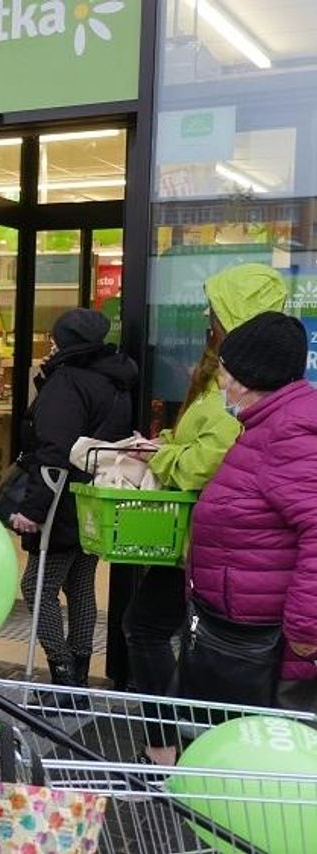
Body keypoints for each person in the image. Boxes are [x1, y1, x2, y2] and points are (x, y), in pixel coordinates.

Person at [122, 264, 286, 762]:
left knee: (149, 630)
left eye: (212, 310)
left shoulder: (230, 400)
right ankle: (180, 748)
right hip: (203, 545)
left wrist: (162, 456)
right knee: (166, 636)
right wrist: (166, 444)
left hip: (206, 547)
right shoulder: (224, 390)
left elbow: (199, 466)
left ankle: (169, 751)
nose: (203, 317)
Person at [181, 311, 317, 713]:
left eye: (223, 371)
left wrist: (306, 630)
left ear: (246, 379)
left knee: (262, 763)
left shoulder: (288, 434)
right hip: (241, 632)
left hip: (266, 643)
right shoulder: (268, 425)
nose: (219, 381)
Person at [10, 308, 136, 690]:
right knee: (80, 585)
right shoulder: (114, 379)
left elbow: (53, 449)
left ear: (63, 341)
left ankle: (62, 671)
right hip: (94, 495)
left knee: (36, 587)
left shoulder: (68, 382)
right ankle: (77, 677)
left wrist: (34, 510)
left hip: (61, 497)